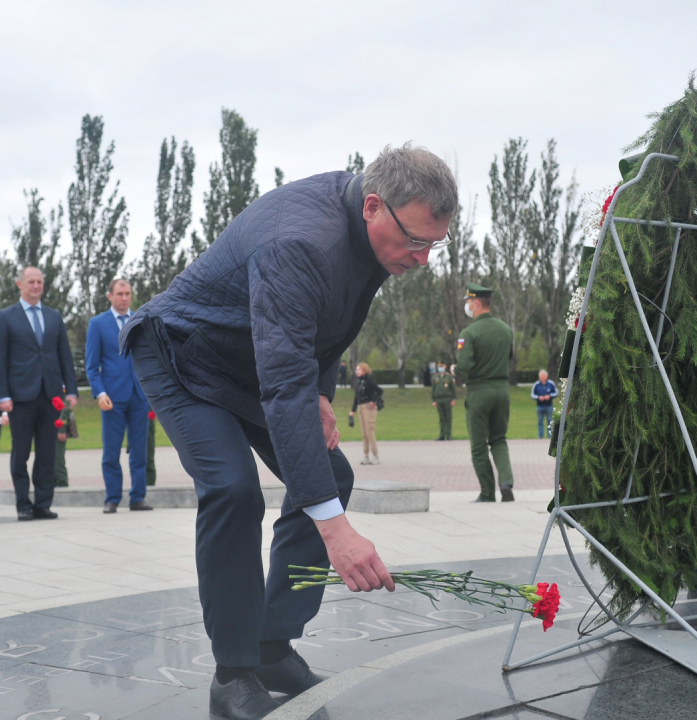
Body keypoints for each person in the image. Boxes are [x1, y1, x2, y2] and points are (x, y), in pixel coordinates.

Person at [120, 144, 457, 720]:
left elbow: (327, 324)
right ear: (374, 205)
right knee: (232, 489)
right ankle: (232, 674)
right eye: (417, 241)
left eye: (435, 245)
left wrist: (322, 393)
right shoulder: (299, 239)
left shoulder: (372, 233)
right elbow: (282, 384)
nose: (423, 258)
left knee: (332, 474)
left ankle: (272, 646)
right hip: (181, 354)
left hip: (251, 357)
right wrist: (337, 533)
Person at [0, 266, 78, 521]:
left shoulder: (54, 317)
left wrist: (71, 390)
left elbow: (64, 356)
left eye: (40, 281)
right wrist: (2, 395)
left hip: (51, 394)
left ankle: (43, 503)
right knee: (21, 453)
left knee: (47, 453)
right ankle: (23, 504)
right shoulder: (6, 317)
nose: (36, 285)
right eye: (31, 281)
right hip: (20, 396)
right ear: (19, 284)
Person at [85, 278, 152, 513]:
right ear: (110, 296)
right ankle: (112, 498)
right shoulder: (98, 324)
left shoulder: (140, 320)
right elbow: (91, 366)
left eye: (128, 293)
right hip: (112, 397)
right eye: (120, 293)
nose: (124, 298)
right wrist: (99, 392)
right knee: (111, 451)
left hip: (139, 395)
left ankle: (137, 497)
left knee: (139, 451)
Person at [455, 282, 515, 503]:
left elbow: (464, 367)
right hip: (502, 389)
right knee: (499, 439)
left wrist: (454, 370)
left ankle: (488, 492)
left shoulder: (469, 333)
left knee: (479, 444)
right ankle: (506, 482)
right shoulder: (506, 329)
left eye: (469, 302)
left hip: (479, 391)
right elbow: (509, 358)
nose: (468, 306)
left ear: (477, 303)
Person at [350, 362, 383, 465]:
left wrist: (373, 401)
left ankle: (376, 455)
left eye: (358, 370)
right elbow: (356, 397)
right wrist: (353, 410)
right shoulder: (359, 383)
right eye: (356, 370)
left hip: (368, 408)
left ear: (364, 370)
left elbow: (379, 391)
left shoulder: (368, 382)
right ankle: (366, 456)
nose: (357, 372)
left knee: (370, 432)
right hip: (360, 407)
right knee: (364, 434)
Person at [54, 399, 78, 487]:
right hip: (45, 425)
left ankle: (61, 485)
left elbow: (66, 407)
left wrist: (61, 429)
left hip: (56, 426)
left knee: (57, 461)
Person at [431, 360, 456, 441]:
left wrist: (453, 399)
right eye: (439, 366)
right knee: (441, 418)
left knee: (448, 418)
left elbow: (453, 389)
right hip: (439, 399)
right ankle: (441, 435)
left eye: (441, 366)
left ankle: (448, 435)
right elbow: (433, 390)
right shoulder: (436, 377)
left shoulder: (449, 377)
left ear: (445, 367)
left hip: (447, 399)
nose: (440, 368)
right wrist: (433, 400)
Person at [530, 370, 558, 440]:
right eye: (541, 376)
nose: (542, 377)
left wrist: (550, 396)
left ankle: (550, 435)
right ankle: (540, 435)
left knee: (550, 420)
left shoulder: (551, 383)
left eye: (543, 376)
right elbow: (532, 395)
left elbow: (556, 393)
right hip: (539, 406)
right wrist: (538, 397)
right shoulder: (536, 384)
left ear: (546, 376)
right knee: (540, 421)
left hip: (549, 405)